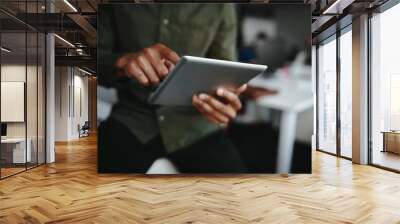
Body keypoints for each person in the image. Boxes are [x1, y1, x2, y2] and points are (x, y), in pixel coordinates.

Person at [98, 3, 247, 173]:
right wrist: (123, 62)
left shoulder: (221, 7)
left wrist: (223, 100)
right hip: (133, 118)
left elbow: (224, 72)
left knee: (239, 195)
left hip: (195, 126)